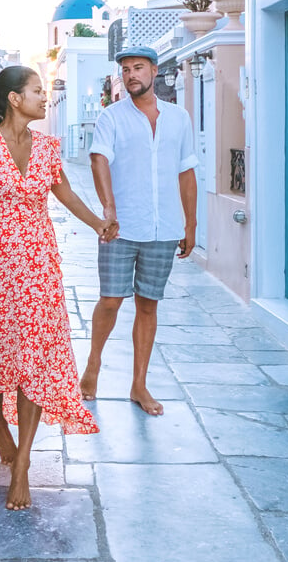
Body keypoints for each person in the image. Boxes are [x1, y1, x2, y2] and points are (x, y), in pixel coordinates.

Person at [0, 65, 117, 510]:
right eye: (37, 91)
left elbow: (66, 194)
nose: (44, 98)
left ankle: (23, 467)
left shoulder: (49, 148)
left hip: (38, 267)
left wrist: (98, 224)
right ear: (15, 99)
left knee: (32, 357)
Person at [79, 46, 198, 416]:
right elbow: (99, 158)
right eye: (125, 69)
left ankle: (139, 384)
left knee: (148, 305)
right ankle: (94, 362)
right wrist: (108, 208)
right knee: (111, 300)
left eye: (138, 68)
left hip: (164, 227)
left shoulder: (179, 118)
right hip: (120, 226)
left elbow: (186, 171)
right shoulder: (111, 118)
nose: (131, 75)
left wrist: (190, 223)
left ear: (154, 71)